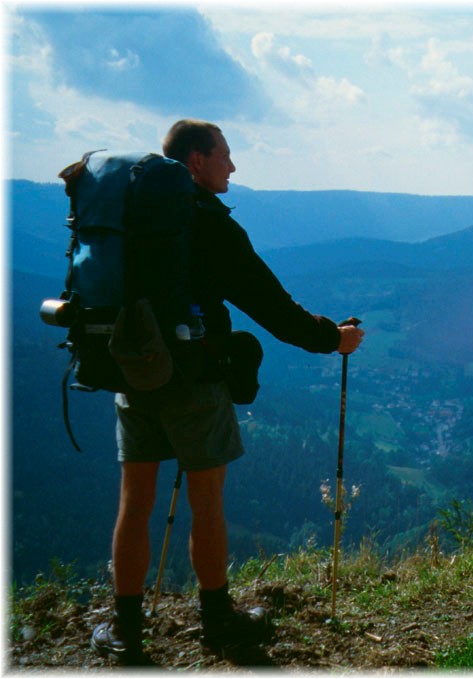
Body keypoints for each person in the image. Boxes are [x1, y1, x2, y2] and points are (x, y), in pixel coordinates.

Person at [91, 119, 364, 664]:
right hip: (193, 378)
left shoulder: (132, 214)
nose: (233, 167)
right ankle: (217, 617)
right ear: (197, 161)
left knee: (135, 502)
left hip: (133, 372)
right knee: (207, 502)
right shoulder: (208, 224)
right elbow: (268, 302)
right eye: (225, 156)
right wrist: (331, 339)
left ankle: (124, 627)